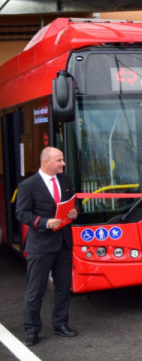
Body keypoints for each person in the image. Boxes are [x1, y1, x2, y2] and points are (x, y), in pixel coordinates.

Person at [15, 147, 80, 346]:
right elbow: (21, 213)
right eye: (59, 160)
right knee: (36, 290)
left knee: (62, 288)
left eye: (62, 160)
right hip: (40, 246)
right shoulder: (28, 186)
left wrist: (75, 211)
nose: (63, 163)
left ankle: (60, 324)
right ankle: (32, 330)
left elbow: (75, 202)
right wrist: (43, 222)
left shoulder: (65, 180)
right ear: (46, 162)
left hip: (63, 243)